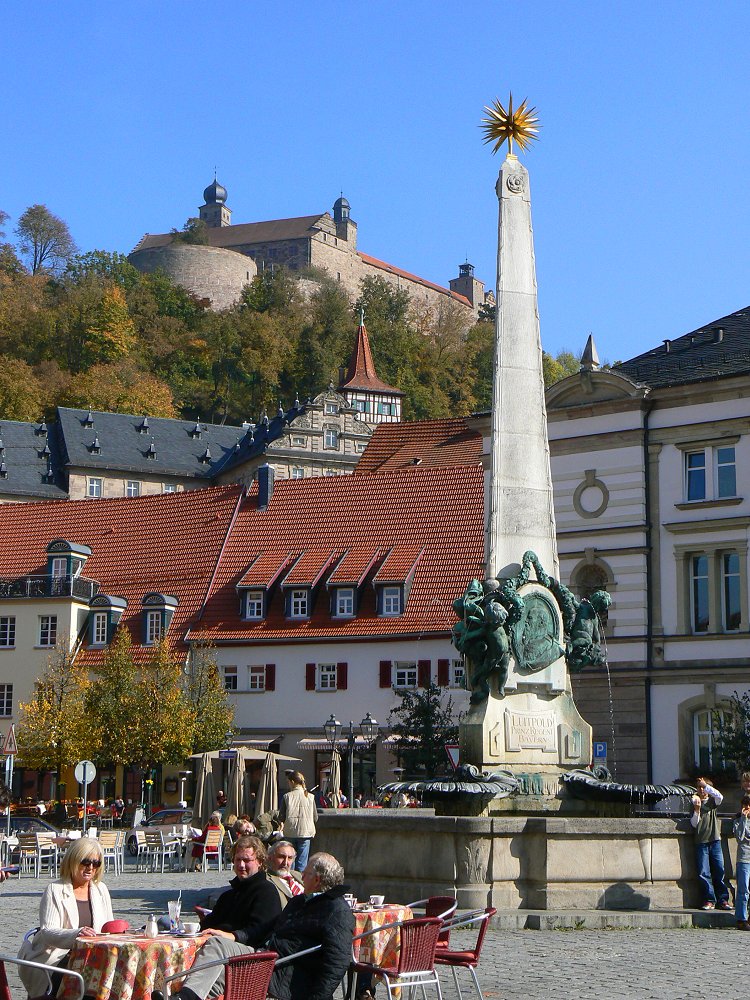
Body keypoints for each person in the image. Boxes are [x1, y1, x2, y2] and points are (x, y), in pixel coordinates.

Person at [154, 836, 281, 1000]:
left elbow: (260, 930)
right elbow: (207, 924)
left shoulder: (266, 891)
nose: (241, 865)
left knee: (217, 943)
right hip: (224, 958)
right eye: (238, 860)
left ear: (260, 862)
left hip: (253, 954)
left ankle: (185, 997)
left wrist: (231, 936)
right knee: (164, 922)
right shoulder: (229, 895)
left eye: (247, 860)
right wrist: (183, 928)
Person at [18, 837, 114, 998]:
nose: (90, 868)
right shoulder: (54, 889)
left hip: (93, 958)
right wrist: (76, 934)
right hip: (57, 958)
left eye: (96, 864)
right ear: (73, 860)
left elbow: (108, 928)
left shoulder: (101, 889)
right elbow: (48, 932)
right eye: (85, 862)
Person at [265, 852, 355, 1000]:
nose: (301, 877)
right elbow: (273, 927)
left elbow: (337, 962)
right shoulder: (300, 900)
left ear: (317, 880)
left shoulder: (337, 911)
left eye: (305, 873)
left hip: (283, 974)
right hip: (267, 957)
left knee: (221, 953)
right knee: (221, 949)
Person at [691, 776, 731, 910]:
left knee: (719, 870)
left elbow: (720, 796)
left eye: (703, 787)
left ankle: (723, 899)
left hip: (715, 840)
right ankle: (709, 899)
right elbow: (694, 824)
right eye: (699, 787)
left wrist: (706, 785)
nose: (701, 790)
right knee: (704, 872)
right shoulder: (694, 802)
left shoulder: (713, 801)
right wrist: (697, 810)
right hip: (701, 842)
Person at [279, 770, 317, 871]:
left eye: (288, 782)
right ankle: (300, 883)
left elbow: (281, 817)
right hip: (306, 832)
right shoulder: (310, 797)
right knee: (302, 863)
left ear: (292, 782)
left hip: (290, 832)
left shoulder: (287, 796)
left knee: (290, 861)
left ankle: (289, 882)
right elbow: (315, 817)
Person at [266, 840, 304, 907]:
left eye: (289, 858)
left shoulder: (298, 875)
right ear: (270, 858)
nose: (285, 863)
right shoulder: (266, 880)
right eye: (281, 857)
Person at [734, 794, 750, 930]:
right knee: (743, 890)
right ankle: (741, 918)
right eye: (745, 805)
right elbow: (739, 838)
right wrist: (744, 819)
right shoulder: (738, 820)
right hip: (744, 859)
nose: (748, 808)